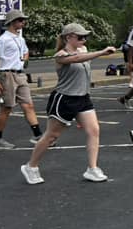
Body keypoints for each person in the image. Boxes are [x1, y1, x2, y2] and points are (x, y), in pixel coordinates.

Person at [21, 24, 118, 184]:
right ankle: (31, 166)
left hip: (82, 98)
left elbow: (82, 57)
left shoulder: (84, 50)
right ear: (68, 37)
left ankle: (92, 169)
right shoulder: (61, 55)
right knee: (51, 136)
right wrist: (101, 52)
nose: (83, 40)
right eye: (80, 37)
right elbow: (76, 59)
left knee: (94, 130)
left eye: (85, 37)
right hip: (64, 99)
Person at [0, 9, 42, 150]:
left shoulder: (20, 38)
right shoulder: (2, 40)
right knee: (7, 108)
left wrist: (23, 60)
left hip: (20, 75)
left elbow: (25, 52)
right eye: (20, 20)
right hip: (7, 75)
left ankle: (38, 136)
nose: (23, 22)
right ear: (12, 22)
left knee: (28, 105)